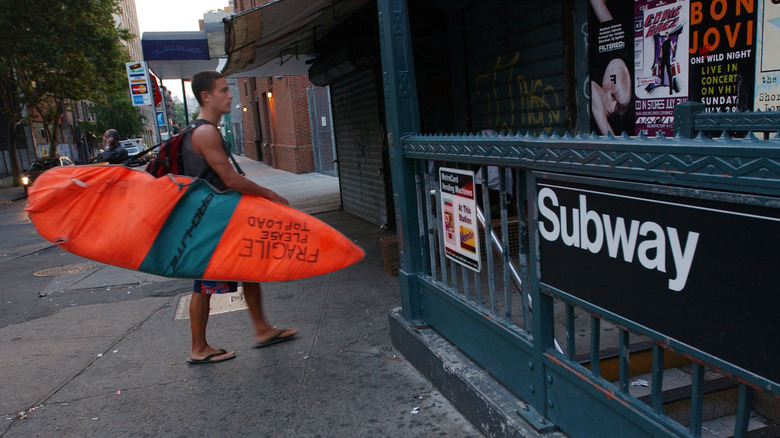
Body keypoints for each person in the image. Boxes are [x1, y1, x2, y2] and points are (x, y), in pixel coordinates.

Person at [184, 70, 298, 365]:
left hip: (218, 218)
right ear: (206, 96)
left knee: (249, 269)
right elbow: (231, 179)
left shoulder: (204, 130)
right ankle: (198, 347)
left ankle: (261, 329)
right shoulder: (205, 132)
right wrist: (268, 194)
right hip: (210, 222)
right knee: (205, 283)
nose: (230, 94)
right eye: (223, 90)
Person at [591, 58, 631, 135]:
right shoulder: (594, 90)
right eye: (612, 96)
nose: (613, 109)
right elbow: (611, 139)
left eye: (618, 104)